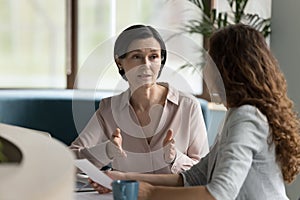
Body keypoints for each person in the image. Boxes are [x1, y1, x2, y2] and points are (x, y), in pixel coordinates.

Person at [91, 24, 300, 199]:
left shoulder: (246, 117)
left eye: (209, 61)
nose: (205, 68)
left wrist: (149, 192)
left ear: (227, 69)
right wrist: (124, 178)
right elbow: (193, 178)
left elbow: (219, 194)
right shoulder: (237, 114)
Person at [69, 24, 209, 174]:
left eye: (153, 56)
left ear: (161, 60)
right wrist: (107, 150)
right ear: (119, 62)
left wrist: (175, 158)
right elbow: (71, 161)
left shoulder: (188, 106)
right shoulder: (109, 109)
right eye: (136, 57)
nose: (146, 65)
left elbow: (205, 172)